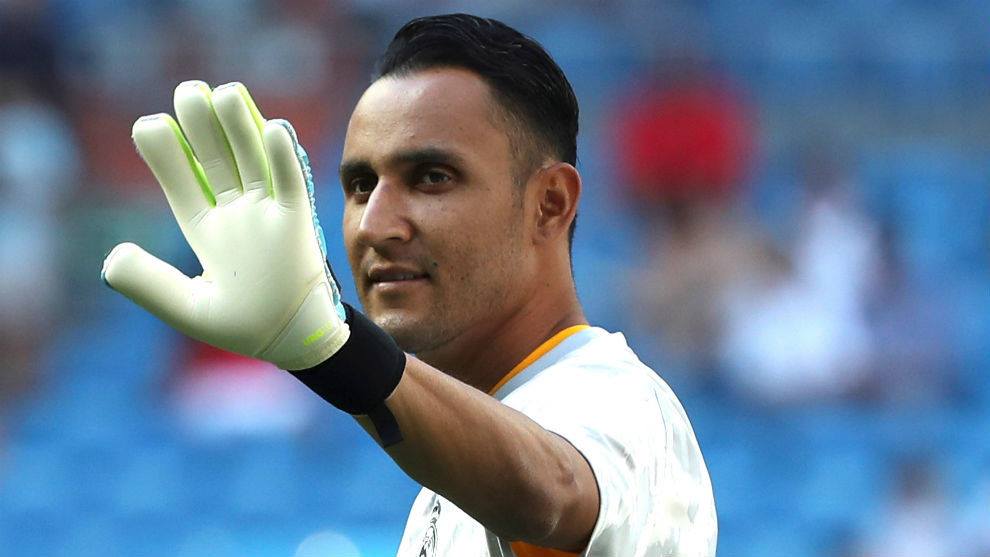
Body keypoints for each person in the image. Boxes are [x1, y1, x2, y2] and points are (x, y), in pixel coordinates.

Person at [101, 13, 717, 556]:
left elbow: (552, 492)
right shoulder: (449, 477)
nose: (375, 224)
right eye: (360, 185)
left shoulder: (620, 400)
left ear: (549, 203)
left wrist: (334, 348)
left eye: (432, 177)